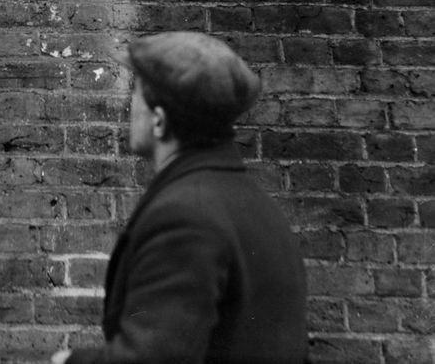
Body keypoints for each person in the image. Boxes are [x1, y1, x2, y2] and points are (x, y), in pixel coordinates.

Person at [52, 31, 307, 364]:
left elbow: (156, 358)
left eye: (137, 93)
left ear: (159, 120)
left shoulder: (186, 217)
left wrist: (68, 362)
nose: (130, 106)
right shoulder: (253, 203)